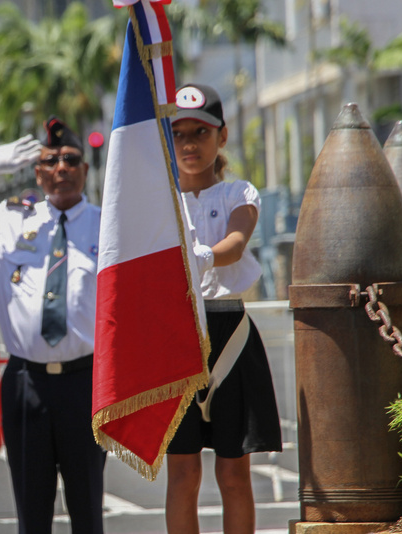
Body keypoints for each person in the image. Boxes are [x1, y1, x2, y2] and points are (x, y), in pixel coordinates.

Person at [0, 117, 107, 534]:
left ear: (85, 169)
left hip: (85, 382)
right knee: (32, 515)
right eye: (50, 161)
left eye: (70, 159)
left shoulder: (108, 225)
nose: (61, 168)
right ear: (37, 172)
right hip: (25, 383)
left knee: (88, 511)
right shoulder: (7, 221)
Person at [165, 84, 282, 534]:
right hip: (177, 336)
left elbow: (236, 243)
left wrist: (207, 256)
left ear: (222, 136)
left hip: (229, 332)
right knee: (183, 474)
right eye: (178, 134)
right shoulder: (159, 202)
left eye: (201, 131)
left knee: (233, 474)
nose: (190, 144)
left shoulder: (239, 191)